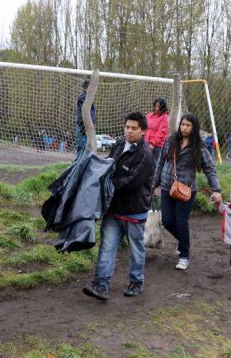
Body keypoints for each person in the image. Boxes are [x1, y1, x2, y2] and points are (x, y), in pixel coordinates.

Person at [83, 112, 156, 301]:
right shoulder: (118, 145)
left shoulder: (146, 155)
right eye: (127, 127)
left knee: (136, 249)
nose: (129, 131)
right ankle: (101, 284)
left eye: (133, 128)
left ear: (143, 130)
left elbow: (131, 181)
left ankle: (136, 282)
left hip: (134, 211)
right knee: (107, 247)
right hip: (114, 209)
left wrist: (108, 183)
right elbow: (107, 165)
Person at [153, 113, 222, 270]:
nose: (184, 128)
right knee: (168, 221)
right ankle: (185, 243)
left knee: (181, 222)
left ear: (194, 127)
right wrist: (154, 183)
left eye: (188, 125)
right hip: (166, 187)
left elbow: (210, 169)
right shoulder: (171, 141)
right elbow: (160, 162)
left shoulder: (199, 147)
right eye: (182, 124)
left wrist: (216, 189)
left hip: (186, 191)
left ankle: (184, 256)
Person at [75, 80, 96, 159]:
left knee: (86, 148)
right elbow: (83, 113)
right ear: (88, 87)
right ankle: (78, 166)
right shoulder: (83, 97)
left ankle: (82, 165)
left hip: (87, 127)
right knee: (82, 147)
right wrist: (84, 126)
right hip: (83, 127)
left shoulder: (88, 97)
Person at [145, 97, 170, 162]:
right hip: (146, 143)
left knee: (155, 165)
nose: (157, 108)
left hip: (157, 146)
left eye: (159, 107)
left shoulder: (165, 117)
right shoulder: (148, 116)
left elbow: (161, 132)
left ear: (163, 108)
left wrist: (152, 143)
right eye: (156, 106)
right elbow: (143, 128)